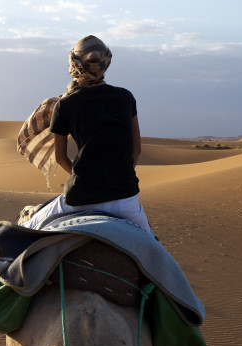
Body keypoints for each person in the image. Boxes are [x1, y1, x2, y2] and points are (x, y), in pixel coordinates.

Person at [18, 35, 154, 236]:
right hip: (126, 201)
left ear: (75, 64)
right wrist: (117, 177)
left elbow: (60, 157)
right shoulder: (126, 97)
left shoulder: (65, 105)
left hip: (81, 199)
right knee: (157, 253)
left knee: (23, 233)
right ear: (106, 63)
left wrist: (88, 180)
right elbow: (136, 149)